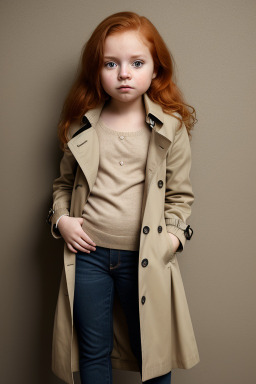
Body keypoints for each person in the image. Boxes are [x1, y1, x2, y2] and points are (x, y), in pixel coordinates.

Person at [47, 11, 200, 384]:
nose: (124, 73)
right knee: (92, 352)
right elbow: (63, 185)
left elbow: (180, 196)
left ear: (155, 70)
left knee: (153, 352)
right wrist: (61, 220)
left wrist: (171, 240)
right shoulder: (81, 124)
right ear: (96, 70)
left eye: (136, 63)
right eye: (110, 63)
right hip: (88, 256)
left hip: (146, 255)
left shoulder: (170, 128)